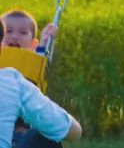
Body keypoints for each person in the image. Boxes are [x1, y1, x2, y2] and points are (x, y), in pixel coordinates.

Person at [0, 17, 82, 148]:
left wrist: (44, 42)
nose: (15, 37)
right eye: (8, 31)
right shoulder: (12, 81)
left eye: (22, 32)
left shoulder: (28, 67)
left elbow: (39, 60)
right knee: (43, 137)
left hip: (21, 127)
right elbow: (74, 131)